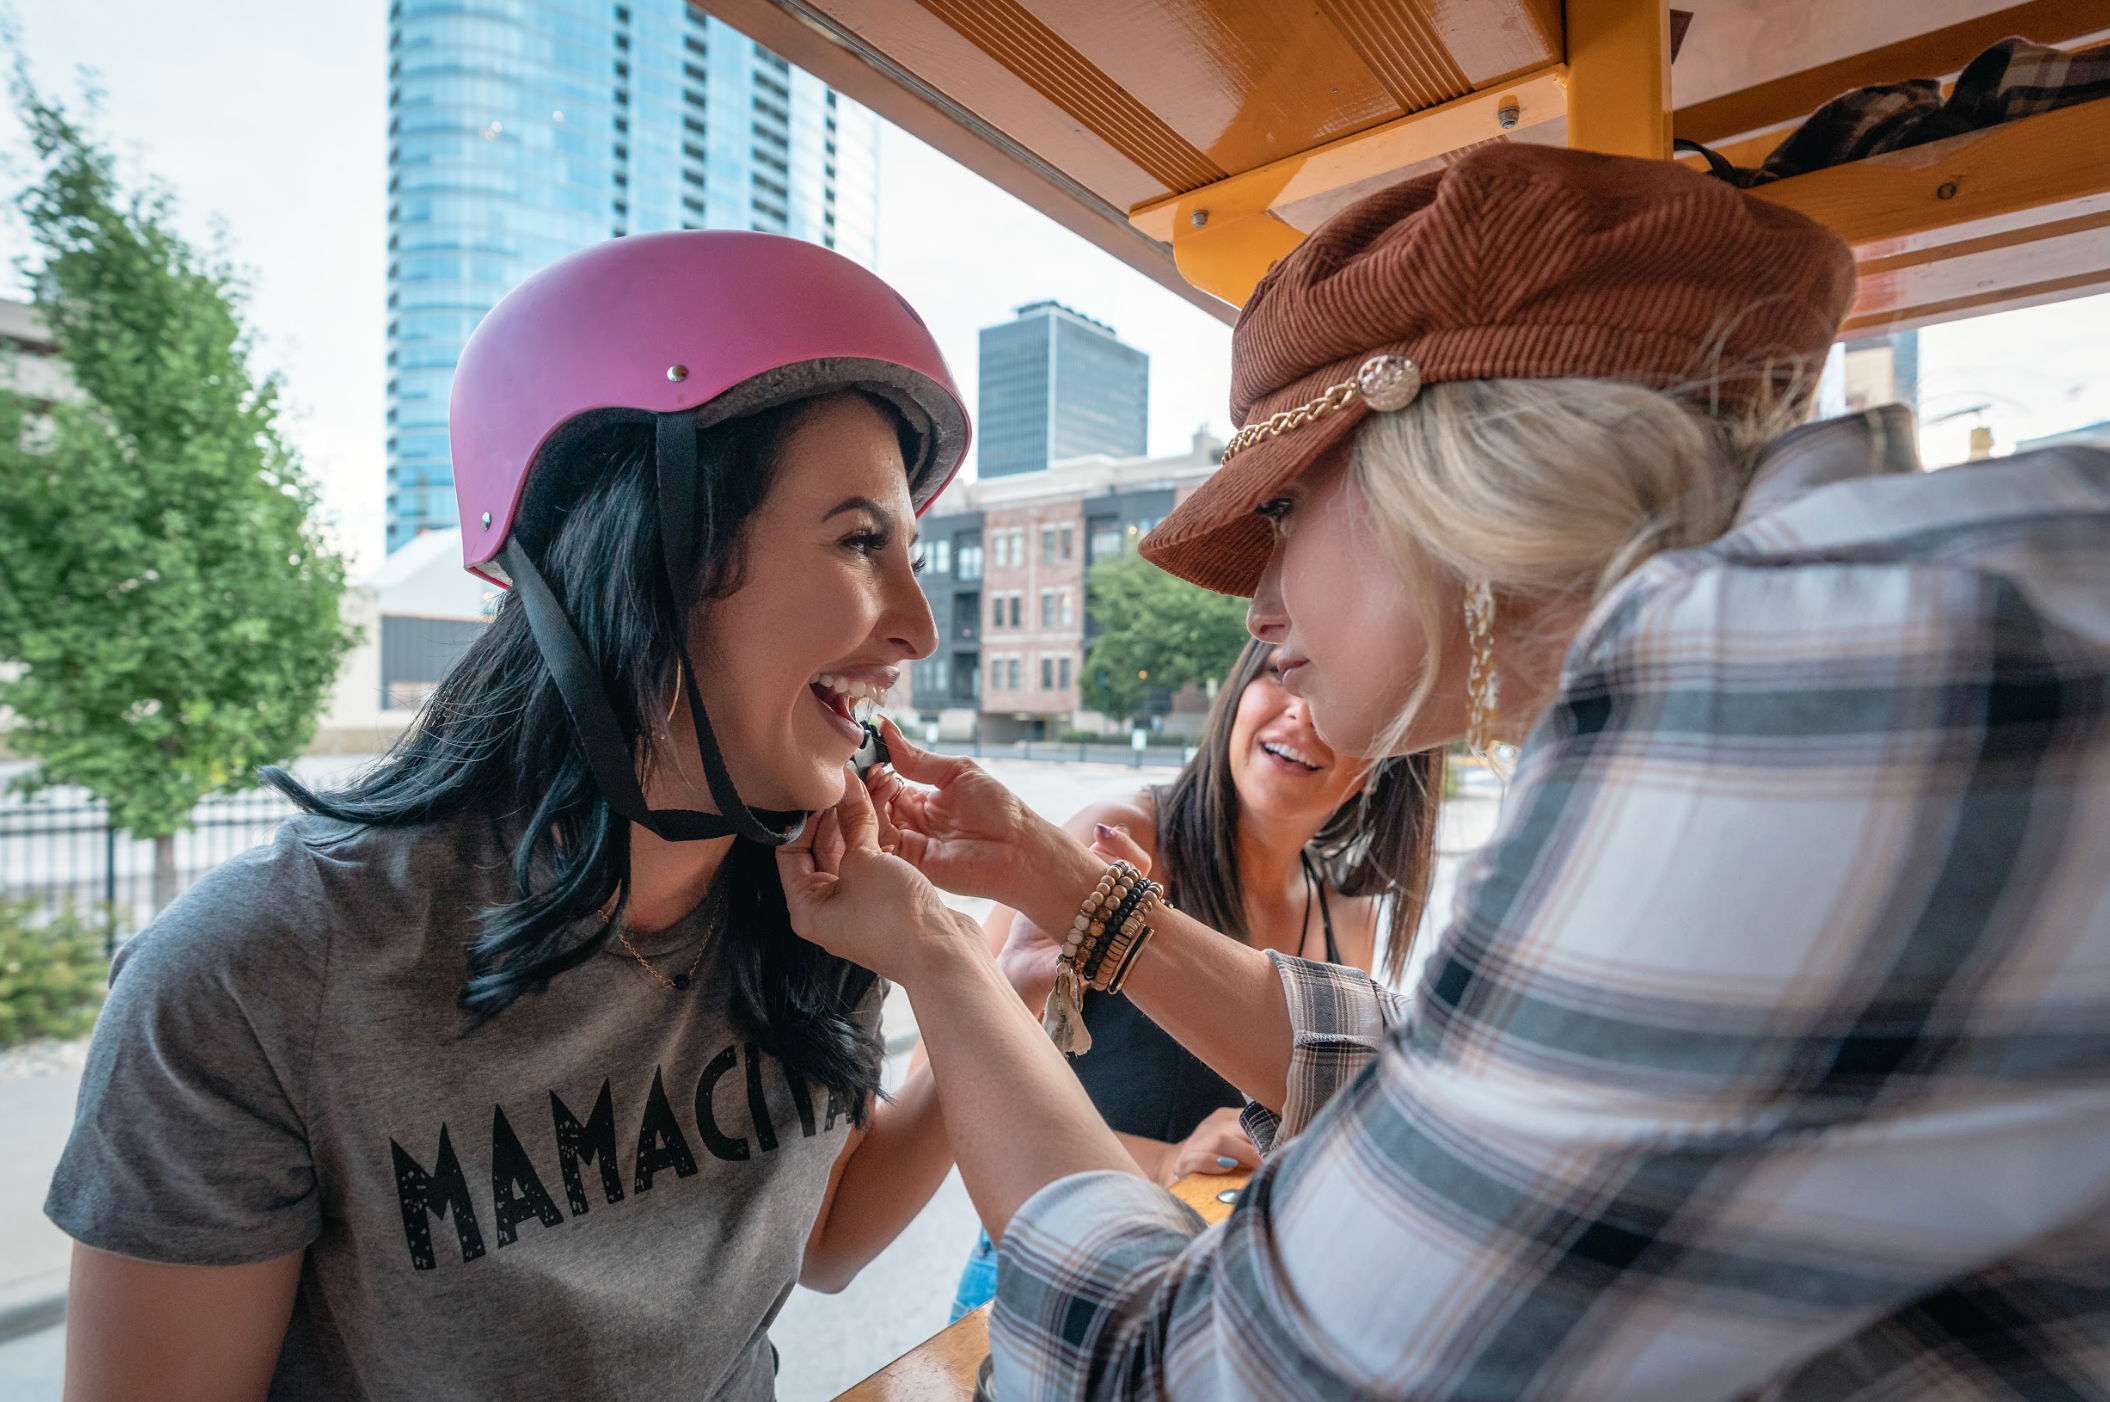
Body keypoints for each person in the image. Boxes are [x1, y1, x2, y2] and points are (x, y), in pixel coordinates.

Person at [776, 143, 2110, 1400]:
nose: (1259, 611)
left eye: (1287, 509)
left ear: (1441, 456)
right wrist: (1049, 879)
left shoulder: (1766, 695)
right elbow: (1444, 1071)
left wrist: (938, 960)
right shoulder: (1906, 603)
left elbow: (1190, 1372)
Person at [45, 232, 972, 1402]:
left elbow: (823, 1237)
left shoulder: (819, 902)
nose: (917, 629)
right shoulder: (251, 980)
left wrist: (1001, 978)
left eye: (914, 552)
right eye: (859, 541)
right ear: (637, 558)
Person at [948, 638, 1440, 1318]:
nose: (1302, 713)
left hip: (1219, 1282)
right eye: (1281, 673)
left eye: (1342, 696)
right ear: (1237, 691)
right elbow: (958, 1082)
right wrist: (1165, 1160)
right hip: (1054, 1275)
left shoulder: (1347, 918)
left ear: (1390, 753)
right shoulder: (1119, 838)